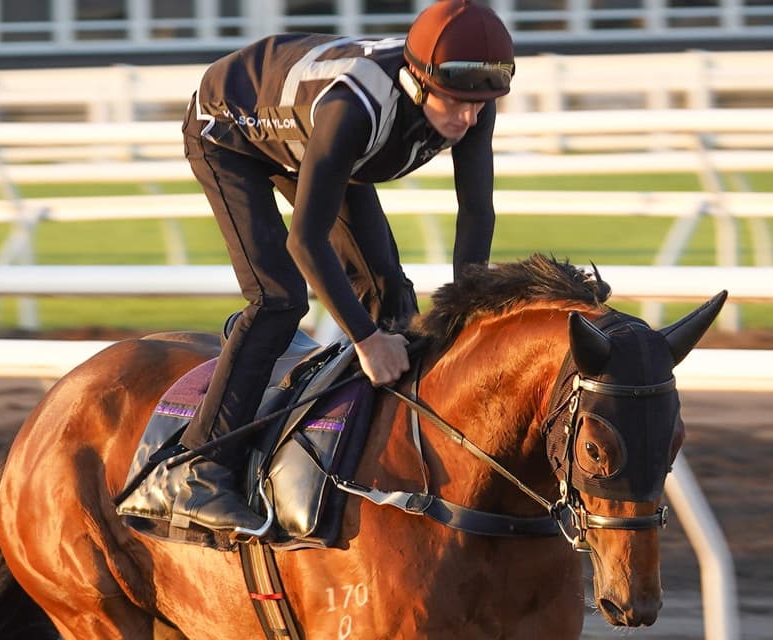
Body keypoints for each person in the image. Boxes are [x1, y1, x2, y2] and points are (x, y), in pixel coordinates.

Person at [154, 0, 516, 538]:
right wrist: (368, 342)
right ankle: (196, 469)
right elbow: (306, 240)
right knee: (279, 299)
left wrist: (465, 312)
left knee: (390, 292)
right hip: (229, 127)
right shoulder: (355, 110)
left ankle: (381, 449)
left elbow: (477, 210)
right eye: (456, 104)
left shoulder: (471, 104)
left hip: (307, 131)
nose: (466, 120)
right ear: (418, 83)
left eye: (481, 106)